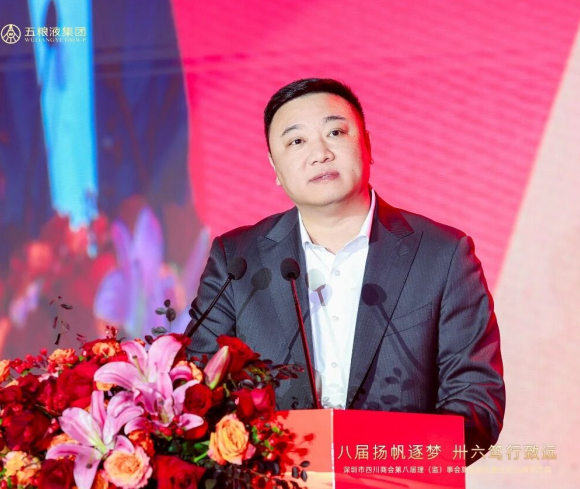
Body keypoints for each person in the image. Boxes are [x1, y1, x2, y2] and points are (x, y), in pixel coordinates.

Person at [186, 78, 505, 464]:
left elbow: (477, 403)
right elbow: (197, 389)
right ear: (275, 167)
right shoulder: (236, 260)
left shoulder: (442, 254)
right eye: (296, 141)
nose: (320, 153)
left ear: (367, 144)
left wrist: (371, 459)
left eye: (335, 132)